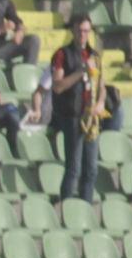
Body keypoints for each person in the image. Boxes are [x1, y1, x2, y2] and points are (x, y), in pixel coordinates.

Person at [47, 14, 114, 205]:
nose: (83, 34)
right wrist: (81, 71)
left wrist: (100, 103)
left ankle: (84, 206)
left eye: (86, 30)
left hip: (91, 116)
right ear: (73, 31)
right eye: (79, 30)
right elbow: (58, 86)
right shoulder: (62, 54)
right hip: (72, 116)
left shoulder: (94, 55)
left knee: (91, 168)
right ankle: (67, 206)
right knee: (74, 167)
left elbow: (101, 86)